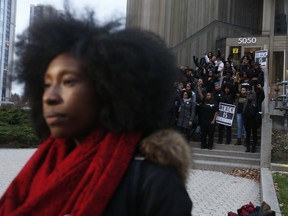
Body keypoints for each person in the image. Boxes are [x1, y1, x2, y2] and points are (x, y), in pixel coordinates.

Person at [0, 8, 192, 215]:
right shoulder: (42, 166)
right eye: (46, 84)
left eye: (68, 81)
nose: (50, 96)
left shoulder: (153, 182)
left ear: (107, 88)